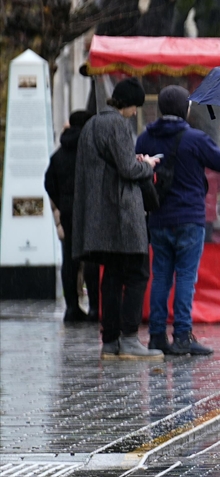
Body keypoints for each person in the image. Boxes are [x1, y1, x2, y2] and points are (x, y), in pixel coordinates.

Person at [136, 86, 220, 356]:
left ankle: (157, 336)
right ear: (185, 109)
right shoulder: (195, 138)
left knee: (161, 278)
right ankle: (182, 335)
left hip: (158, 218)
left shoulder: (145, 138)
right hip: (190, 219)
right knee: (185, 278)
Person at [73, 78, 163, 360]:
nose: (136, 112)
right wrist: (146, 166)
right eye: (135, 106)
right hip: (122, 216)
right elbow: (127, 168)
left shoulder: (91, 125)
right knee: (138, 274)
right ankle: (130, 339)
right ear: (126, 104)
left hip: (100, 217)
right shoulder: (116, 125)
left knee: (110, 278)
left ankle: (110, 342)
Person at [45, 110, 100, 323]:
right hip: (90, 210)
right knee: (92, 258)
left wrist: (62, 202)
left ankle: (71, 308)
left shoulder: (58, 154)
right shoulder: (91, 150)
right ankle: (94, 306)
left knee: (70, 258)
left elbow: (49, 182)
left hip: (68, 211)